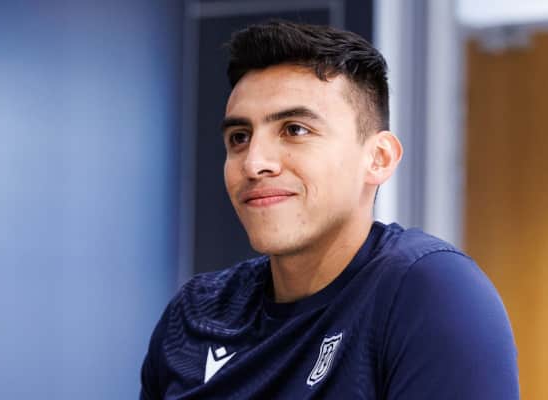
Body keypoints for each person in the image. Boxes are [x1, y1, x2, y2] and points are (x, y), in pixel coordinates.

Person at [140, 20, 519, 399]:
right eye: (239, 137)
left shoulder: (429, 292)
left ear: (378, 158)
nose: (254, 163)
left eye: (295, 130)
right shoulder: (196, 313)